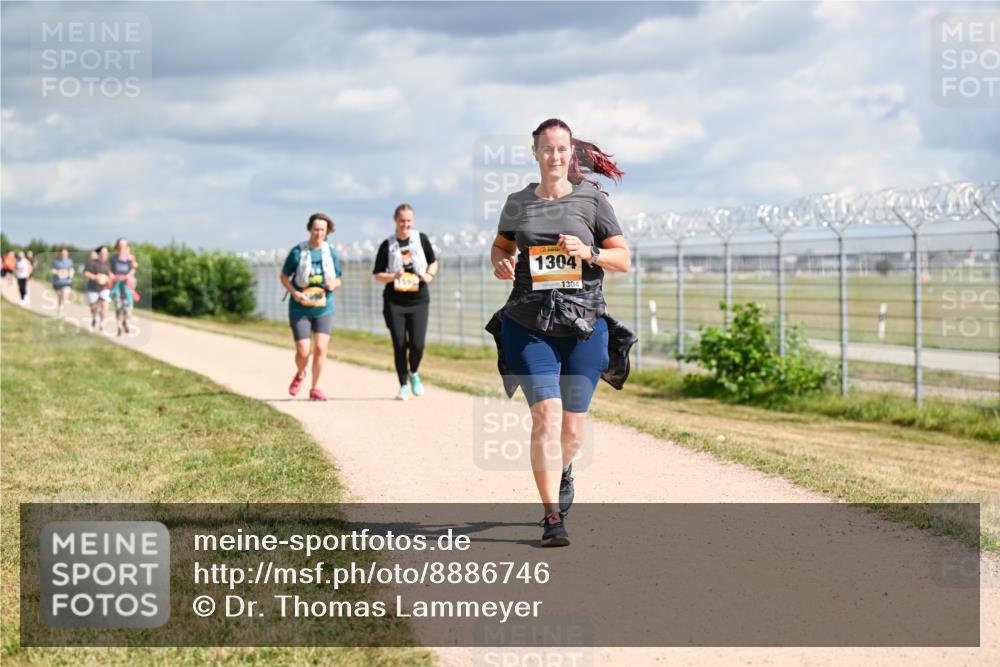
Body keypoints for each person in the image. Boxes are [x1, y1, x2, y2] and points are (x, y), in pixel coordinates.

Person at [489, 118, 631, 547]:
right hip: (529, 323)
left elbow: (623, 258)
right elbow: (502, 245)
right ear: (535, 153)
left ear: (572, 154)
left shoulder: (591, 202)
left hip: (584, 324)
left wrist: (589, 252)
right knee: (546, 417)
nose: (554, 156)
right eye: (547, 149)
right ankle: (552, 517)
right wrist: (500, 262)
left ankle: (564, 468)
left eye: (562, 149)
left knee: (572, 429)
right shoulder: (517, 203)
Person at [372, 204, 438, 400]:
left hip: (419, 300)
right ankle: (402, 385)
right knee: (400, 343)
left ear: (413, 220)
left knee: (417, 344)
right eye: (402, 220)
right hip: (395, 301)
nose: (405, 224)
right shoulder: (388, 244)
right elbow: (377, 274)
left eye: (409, 220)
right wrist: (393, 276)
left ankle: (414, 373)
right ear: (395, 220)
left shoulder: (421, 239)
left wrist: (429, 275)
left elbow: (433, 261)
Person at [279, 213, 343, 401]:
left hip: (324, 307)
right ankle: (300, 373)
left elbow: (339, 278)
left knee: (321, 349)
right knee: (303, 352)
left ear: (327, 231)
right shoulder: (298, 252)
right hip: (301, 309)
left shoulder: (330, 252)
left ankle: (315, 388)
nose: (319, 233)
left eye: (322, 230)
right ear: (310, 229)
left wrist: (334, 284)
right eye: (316, 229)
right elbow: (283, 277)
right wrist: (295, 292)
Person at [109, 238, 139, 336]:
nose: (122, 248)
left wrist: (129, 275)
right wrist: (113, 276)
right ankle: (118, 327)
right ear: (117, 247)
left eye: (124, 246)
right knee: (118, 306)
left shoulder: (129, 258)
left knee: (127, 307)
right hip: (116, 285)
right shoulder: (113, 258)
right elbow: (109, 270)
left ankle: (125, 321)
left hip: (126, 285)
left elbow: (134, 267)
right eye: (120, 246)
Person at [83, 246, 113, 331]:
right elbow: (85, 273)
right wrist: (95, 277)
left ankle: (103, 323)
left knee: (105, 305)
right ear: (99, 253)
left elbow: (111, 275)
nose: (104, 255)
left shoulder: (109, 263)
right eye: (103, 253)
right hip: (92, 288)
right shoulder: (91, 263)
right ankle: (94, 317)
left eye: (106, 253)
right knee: (93, 308)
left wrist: (108, 278)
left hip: (105, 288)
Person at [51, 248, 75, 317]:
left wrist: (71, 274)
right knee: (60, 297)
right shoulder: (56, 261)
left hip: (67, 281)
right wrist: (57, 272)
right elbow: (53, 270)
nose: (64, 254)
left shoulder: (70, 261)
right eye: (63, 253)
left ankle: (63, 310)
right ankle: (60, 308)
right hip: (58, 282)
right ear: (60, 254)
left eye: (65, 253)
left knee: (64, 295)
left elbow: (72, 270)